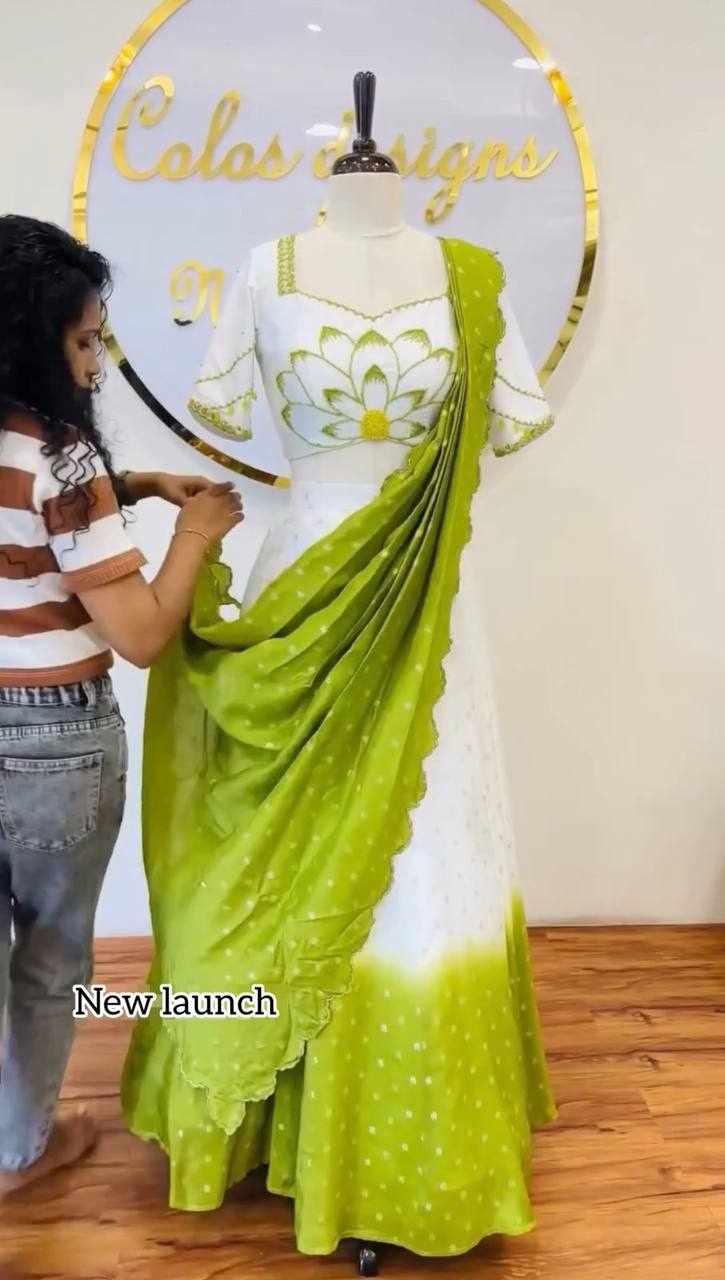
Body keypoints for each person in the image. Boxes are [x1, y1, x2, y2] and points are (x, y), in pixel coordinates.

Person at [0, 214, 243, 1195]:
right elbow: (140, 633)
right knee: (49, 959)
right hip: (53, 741)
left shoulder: (61, 468)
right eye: (84, 340)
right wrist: (196, 533)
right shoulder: (61, 460)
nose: (96, 363)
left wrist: (126, 485)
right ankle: (18, 1151)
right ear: (33, 342)